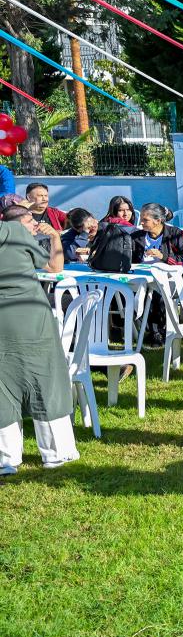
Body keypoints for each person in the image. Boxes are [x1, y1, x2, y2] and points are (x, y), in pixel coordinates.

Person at [0, 202, 78, 473]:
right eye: (31, 221)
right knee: (45, 379)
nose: (35, 225)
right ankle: (55, 452)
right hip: (30, 314)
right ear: (19, 222)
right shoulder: (18, 234)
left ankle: (6, 458)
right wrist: (55, 236)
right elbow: (54, 267)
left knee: (1, 384)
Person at [132, 203, 183, 347]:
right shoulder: (136, 236)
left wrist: (163, 256)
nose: (141, 223)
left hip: (172, 279)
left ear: (158, 221)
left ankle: (158, 332)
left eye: (145, 220)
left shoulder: (175, 235)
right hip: (142, 276)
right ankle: (143, 330)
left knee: (157, 293)